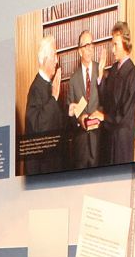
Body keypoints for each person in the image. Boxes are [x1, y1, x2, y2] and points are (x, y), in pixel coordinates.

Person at [23, 35, 80, 174]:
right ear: (45, 59)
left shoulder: (49, 85)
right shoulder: (36, 89)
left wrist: (68, 113)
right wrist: (54, 97)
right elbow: (38, 127)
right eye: (54, 55)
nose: (56, 60)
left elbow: (55, 122)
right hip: (42, 169)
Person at [101, 20, 135, 164]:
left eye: (115, 45)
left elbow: (125, 113)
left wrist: (104, 117)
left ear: (125, 44)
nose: (112, 50)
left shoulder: (131, 73)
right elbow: (105, 99)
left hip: (122, 140)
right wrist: (100, 77)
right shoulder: (113, 70)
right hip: (111, 136)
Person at [69, 30, 102, 168]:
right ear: (79, 51)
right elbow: (71, 111)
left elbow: (108, 101)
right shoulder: (73, 79)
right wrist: (79, 118)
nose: (89, 49)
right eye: (86, 45)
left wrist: (99, 114)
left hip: (99, 140)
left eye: (91, 45)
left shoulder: (101, 71)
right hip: (81, 145)